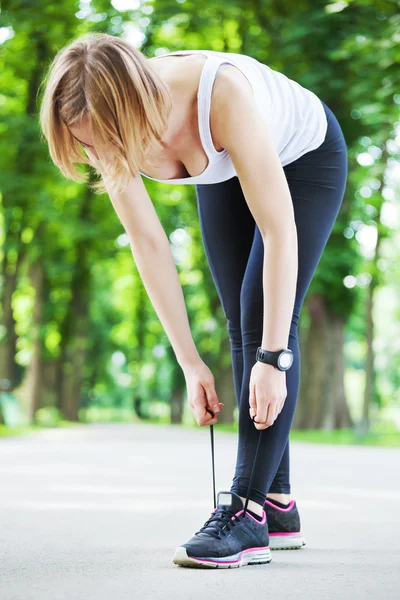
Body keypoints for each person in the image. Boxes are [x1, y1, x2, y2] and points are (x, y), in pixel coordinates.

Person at [39, 32, 348, 569]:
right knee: (238, 322)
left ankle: (246, 512)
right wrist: (188, 361)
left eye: (108, 139)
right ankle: (278, 503)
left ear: (135, 106)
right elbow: (149, 242)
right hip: (222, 162)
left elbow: (280, 234)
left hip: (304, 157)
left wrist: (274, 358)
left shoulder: (221, 95)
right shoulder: (101, 123)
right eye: (87, 144)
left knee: (264, 320)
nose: (102, 154)